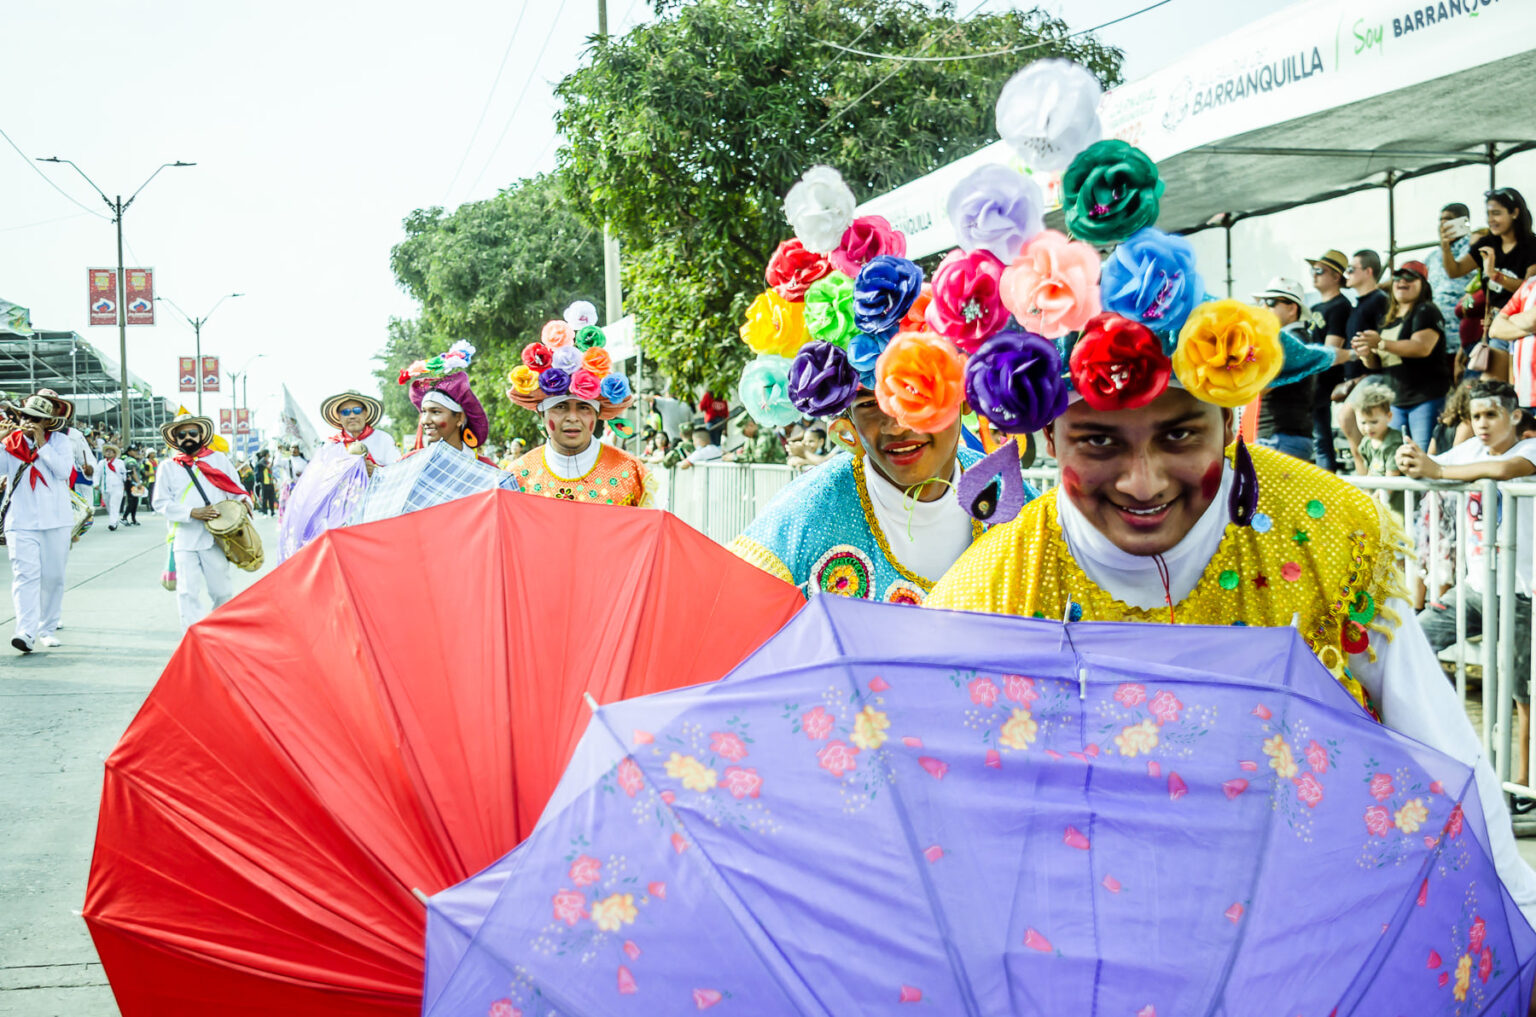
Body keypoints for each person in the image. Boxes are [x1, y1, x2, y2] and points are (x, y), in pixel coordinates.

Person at [926, 302, 1536, 929]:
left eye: (1180, 435)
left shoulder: (1321, 528)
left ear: (1229, 422)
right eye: (1099, 440)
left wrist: (1521, 915)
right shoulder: (991, 589)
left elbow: (1436, 740)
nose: (1143, 482)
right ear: (1047, 438)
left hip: (1305, 922)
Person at [1399, 381, 1536, 784]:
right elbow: (1429, 463)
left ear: (1514, 416)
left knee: (1522, 696)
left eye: (1491, 415)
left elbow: (1503, 470)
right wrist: (1408, 458)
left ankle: (1521, 787)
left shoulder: (1528, 448)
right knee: (1410, 642)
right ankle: (1438, 749)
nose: (1481, 424)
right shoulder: (1469, 451)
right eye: (1475, 416)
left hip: (1521, 592)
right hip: (1475, 588)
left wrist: (1437, 470)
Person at [505, 320, 648, 504]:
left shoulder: (631, 472)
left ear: (597, 415)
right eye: (560, 407)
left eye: (583, 408)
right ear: (542, 414)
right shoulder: (517, 476)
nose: (572, 417)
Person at [151, 413, 253, 630]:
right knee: (187, 592)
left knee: (222, 591)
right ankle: (194, 638)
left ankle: (220, 633)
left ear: (201, 435)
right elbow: (159, 502)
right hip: (184, 539)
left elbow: (237, 490)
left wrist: (244, 504)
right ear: (175, 438)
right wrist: (191, 512)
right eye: (182, 434)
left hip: (217, 538)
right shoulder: (167, 467)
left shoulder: (218, 460)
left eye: (192, 433)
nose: (188, 437)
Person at [0, 393, 76, 652]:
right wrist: (0, 440)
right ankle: (25, 631)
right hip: (20, 521)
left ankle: (47, 628)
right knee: (25, 576)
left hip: (56, 520)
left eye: (36, 419)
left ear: (47, 423)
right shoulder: (9, 443)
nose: (28, 421)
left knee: (53, 578)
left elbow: (64, 472)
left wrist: (42, 444)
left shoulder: (61, 442)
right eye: (25, 416)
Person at [1350, 260, 1451, 447]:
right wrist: (1366, 353)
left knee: (1423, 455)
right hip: (1396, 401)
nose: (1402, 282)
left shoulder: (1426, 310)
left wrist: (1380, 343)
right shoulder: (1387, 319)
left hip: (1426, 398)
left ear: (1423, 284)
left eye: (1410, 278)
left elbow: (1421, 347)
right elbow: (1377, 364)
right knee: (1395, 456)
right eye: (1397, 277)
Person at [1253, 277, 1351, 462]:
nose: (1264, 308)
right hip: (1282, 437)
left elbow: (1259, 387)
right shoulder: (1298, 339)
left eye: (1271, 302)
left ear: (1292, 308)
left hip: (1279, 439)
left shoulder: (1290, 342)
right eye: (1262, 302)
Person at [1443, 188, 1536, 381]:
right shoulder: (1488, 243)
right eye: (1488, 214)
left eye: (1496, 213)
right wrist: (1445, 246)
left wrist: (1495, 275)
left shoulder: (1531, 245)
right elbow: (1455, 270)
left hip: (1523, 326)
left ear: (1515, 213)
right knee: (1491, 390)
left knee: (1516, 389)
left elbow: (1529, 290)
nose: (1490, 219)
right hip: (1496, 329)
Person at [1305, 249, 1354, 472]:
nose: (1313, 275)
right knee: (1314, 439)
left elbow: (1330, 351)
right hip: (1308, 381)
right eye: (1312, 270)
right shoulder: (1314, 308)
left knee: (1321, 439)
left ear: (1336, 276)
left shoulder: (1340, 306)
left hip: (1322, 382)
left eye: (1319, 270)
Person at [319, 390, 399, 475]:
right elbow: (322, 477)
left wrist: (375, 471)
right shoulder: (331, 446)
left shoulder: (383, 439)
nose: (352, 416)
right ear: (339, 417)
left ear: (365, 413)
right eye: (345, 412)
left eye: (357, 410)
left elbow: (397, 470)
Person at [1428, 202, 1474, 328]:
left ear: (1463, 223)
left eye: (1448, 219)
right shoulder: (1434, 255)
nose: (1443, 224)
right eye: (1441, 220)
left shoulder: (1474, 248)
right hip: (1436, 321)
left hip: (1463, 319)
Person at [99, 443, 126, 530]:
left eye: (111, 451)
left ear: (115, 453)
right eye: (107, 451)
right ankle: (115, 519)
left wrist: (125, 482)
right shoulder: (101, 463)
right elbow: (97, 474)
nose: (109, 452)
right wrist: (96, 483)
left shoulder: (120, 462)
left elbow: (124, 474)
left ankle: (112, 523)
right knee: (108, 505)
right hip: (105, 487)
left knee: (114, 504)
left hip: (117, 487)